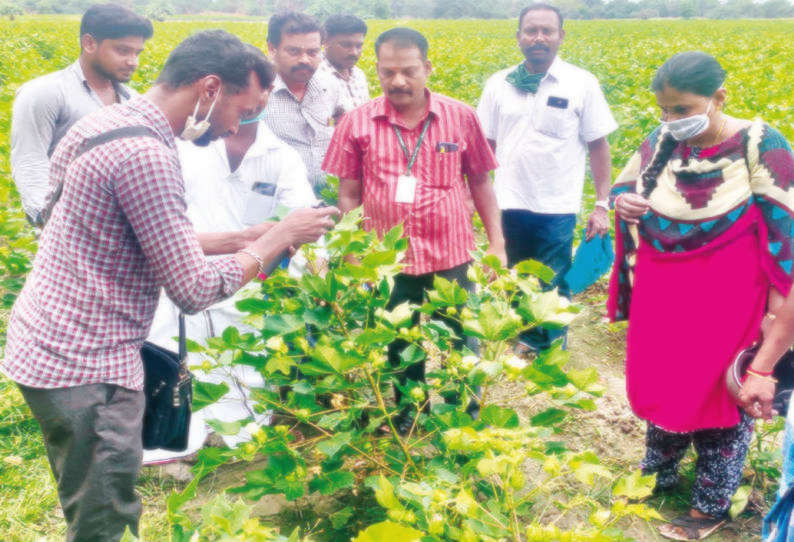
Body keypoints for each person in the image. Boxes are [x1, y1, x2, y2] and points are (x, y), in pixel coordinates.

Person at [1, 30, 338, 542]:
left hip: (48, 341)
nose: (235, 126)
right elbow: (193, 289)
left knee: (90, 494)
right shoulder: (148, 155)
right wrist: (279, 239)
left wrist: (240, 238)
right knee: (104, 516)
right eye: (241, 111)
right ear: (208, 89)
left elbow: (124, 233)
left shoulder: (109, 122)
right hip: (87, 364)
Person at [608, 51, 794, 541]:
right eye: (664, 110)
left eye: (682, 109)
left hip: (730, 298)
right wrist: (621, 202)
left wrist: (778, 312)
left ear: (719, 98)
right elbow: (624, 188)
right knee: (664, 377)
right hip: (663, 291)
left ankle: (710, 505)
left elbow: (786, 230)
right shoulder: (661, 139)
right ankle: (657, 475)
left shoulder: (760, 142)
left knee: (720, 390)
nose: (672, 119)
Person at [323, 27, 506, 432]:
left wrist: (496, 242)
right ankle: (409, 414)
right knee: (399, 341)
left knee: (462, 338)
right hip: (388, 262)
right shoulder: (356, 123)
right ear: (377, 70)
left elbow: (480, 183)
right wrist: (355, 256)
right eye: (388, 72)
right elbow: (348, 194)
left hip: (452, 254)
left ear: (427, 67)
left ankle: (464, 418)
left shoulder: (461, 117)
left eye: (408, 70)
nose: (398, 81)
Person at [143, 60, 319, 468]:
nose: (245, 114)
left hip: (246, 278)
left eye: (258, 100)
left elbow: (301, 218)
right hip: (181, 274)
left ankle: (239, 437)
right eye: (240, 106)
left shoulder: (281, 156)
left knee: (241, 362)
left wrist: (300, 256)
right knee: (173, 361)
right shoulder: (183, 146)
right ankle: (172, 448)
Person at [476, 3, 617, 351]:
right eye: (531, 31)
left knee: (551, 277)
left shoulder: (581, 83)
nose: (539, 38)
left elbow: (599, 146)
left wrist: (602, 204)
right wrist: (470, 195)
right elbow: (484, 145)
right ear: (519, 36)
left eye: (547, 31)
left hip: (557, 203)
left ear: (560, 37)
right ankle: (522, 332)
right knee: (515, 273)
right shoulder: (499, 84)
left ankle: (543, 345)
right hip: (507, 199)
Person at [10, 3, 153, 225]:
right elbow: (30, 158)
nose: (133, 61)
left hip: (115, 230)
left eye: (137, 52)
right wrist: (46, 220)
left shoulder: (132, 101)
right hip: (63, 227)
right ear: (89, 43)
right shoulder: (45, 92)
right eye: (122, 50)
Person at [264, 11, 345, 192]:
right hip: (277, 203)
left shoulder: (330, 85)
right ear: (272, 48)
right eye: (294, 51)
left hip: (328, 197)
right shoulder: (257, 91)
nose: (304, 60)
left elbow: (346, 126)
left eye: (313, 52)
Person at [317, 13, 370, 111]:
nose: (354, 52)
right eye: (346, 45)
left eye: (359, 46)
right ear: (325, 41)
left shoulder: (359, 75)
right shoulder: (314, 76)